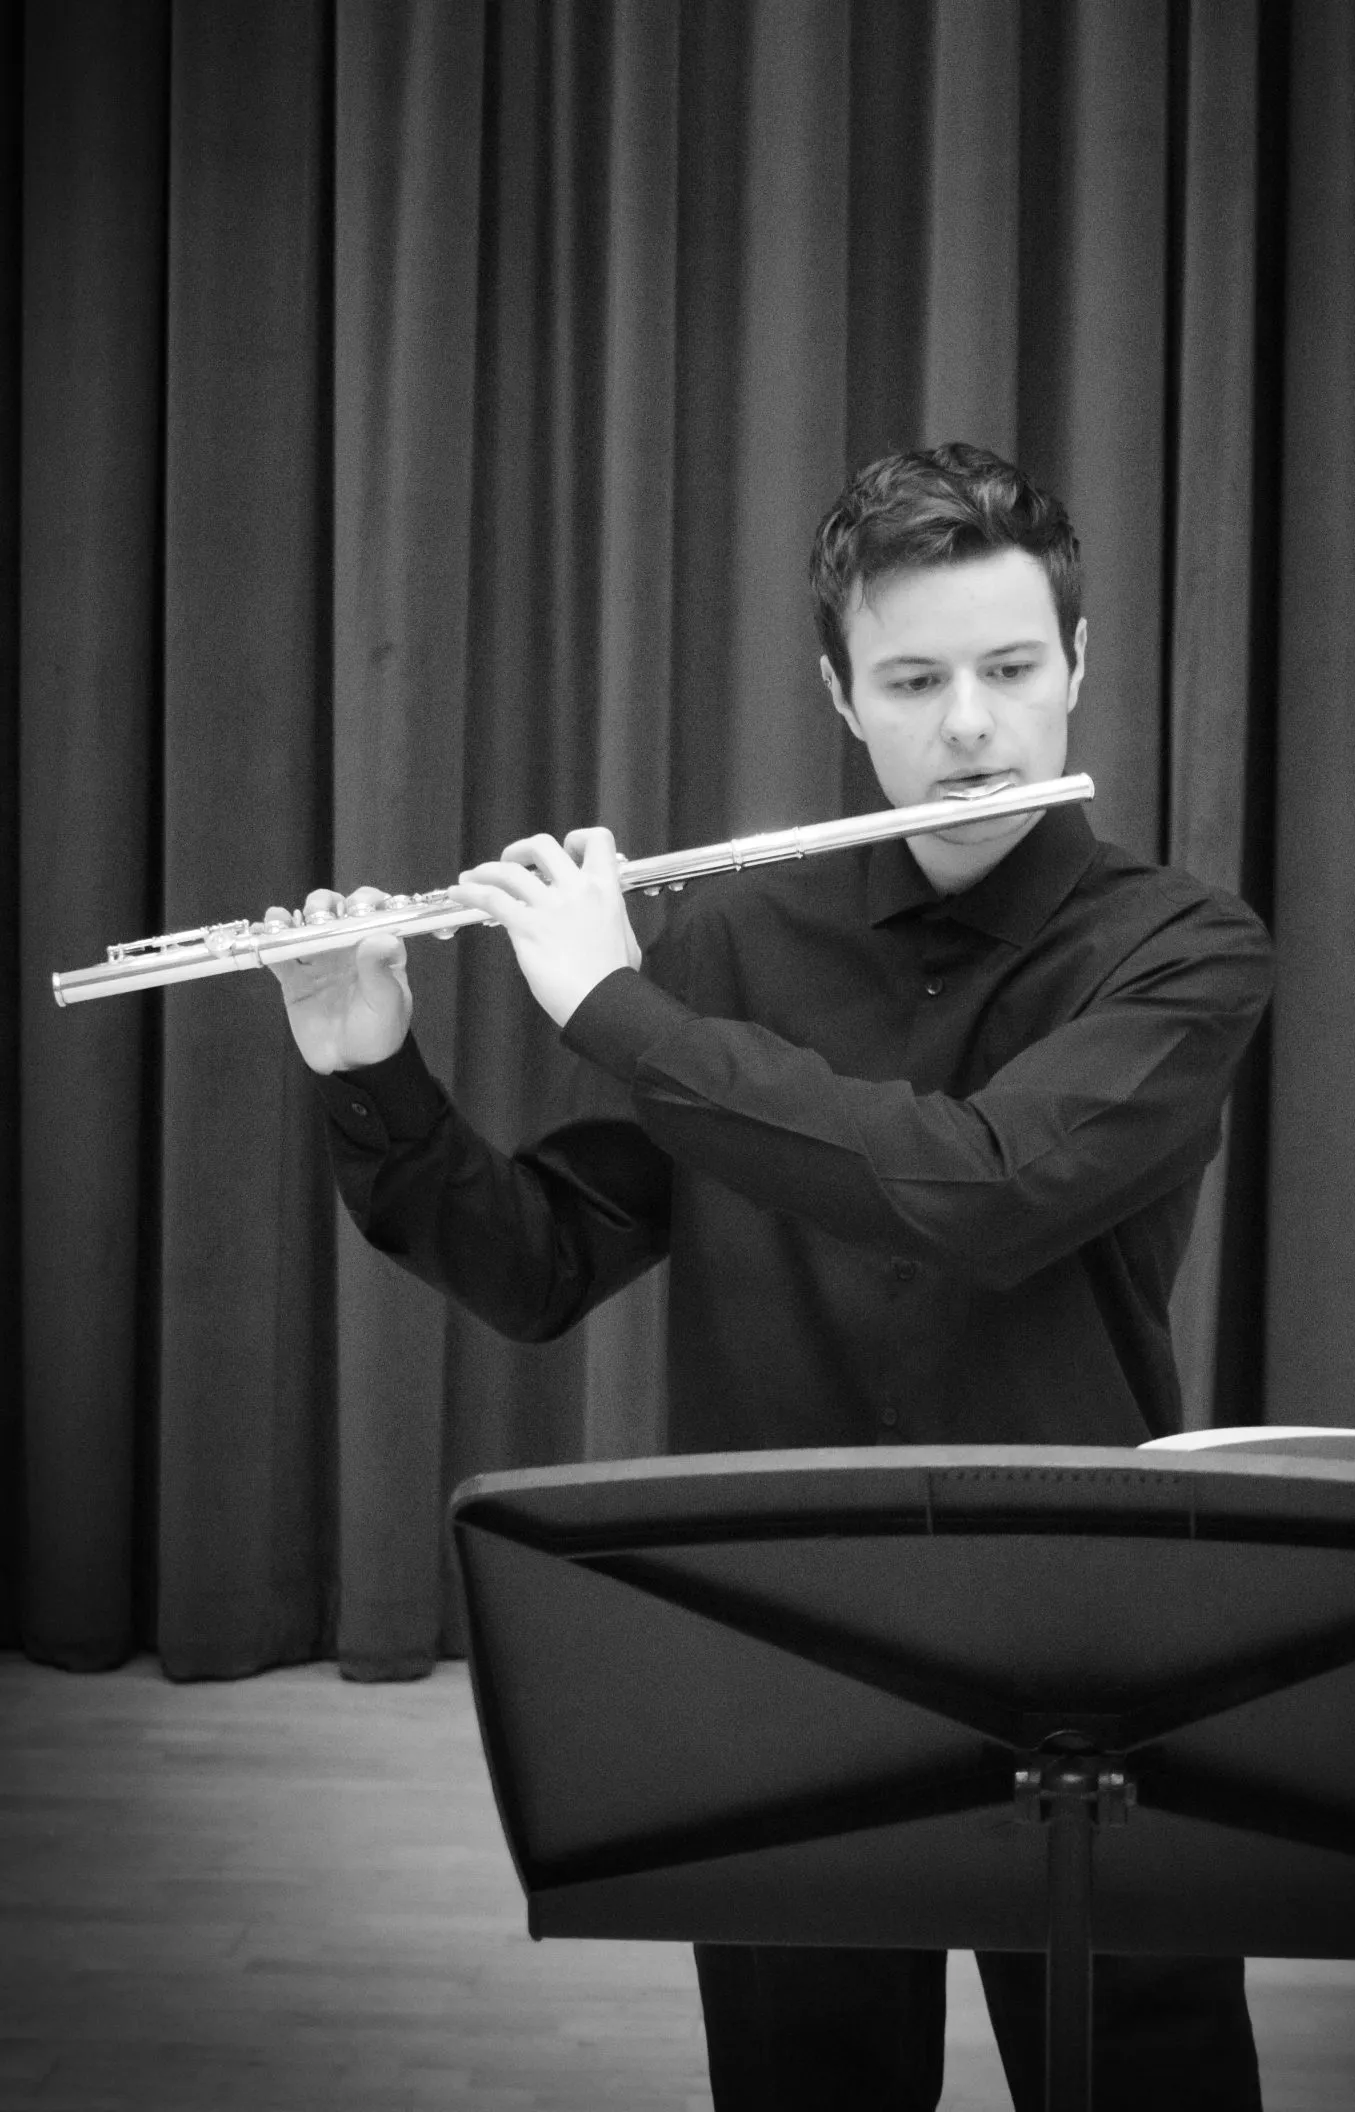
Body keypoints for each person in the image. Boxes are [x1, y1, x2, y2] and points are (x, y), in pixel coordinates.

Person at [273, 443, 1272, 2110]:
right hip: (790, 1638)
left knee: (1143, 2079)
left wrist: (614, 1009)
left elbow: (980, 1192)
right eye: (916, 678)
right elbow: (540, 1265)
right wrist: (367, 1062)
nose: (971, 725)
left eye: (1014, 670)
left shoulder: (1182, 950)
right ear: (840, 694)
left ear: (1079, 670)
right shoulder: (733, 946)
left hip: (1089, 1629)